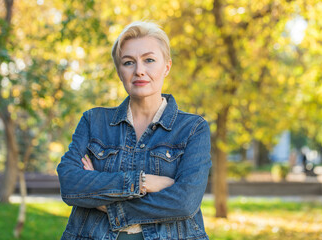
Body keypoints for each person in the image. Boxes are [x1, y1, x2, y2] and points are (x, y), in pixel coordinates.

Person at [57, 21, 212, 240]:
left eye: (149, 60)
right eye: (128, 62)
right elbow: (70, 184)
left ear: (166, 67)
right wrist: (143, 183)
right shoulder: (94, 121)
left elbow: (185, 202)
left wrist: (107, 204)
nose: (139, 71)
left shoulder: (192, 128)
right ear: (119, 72)